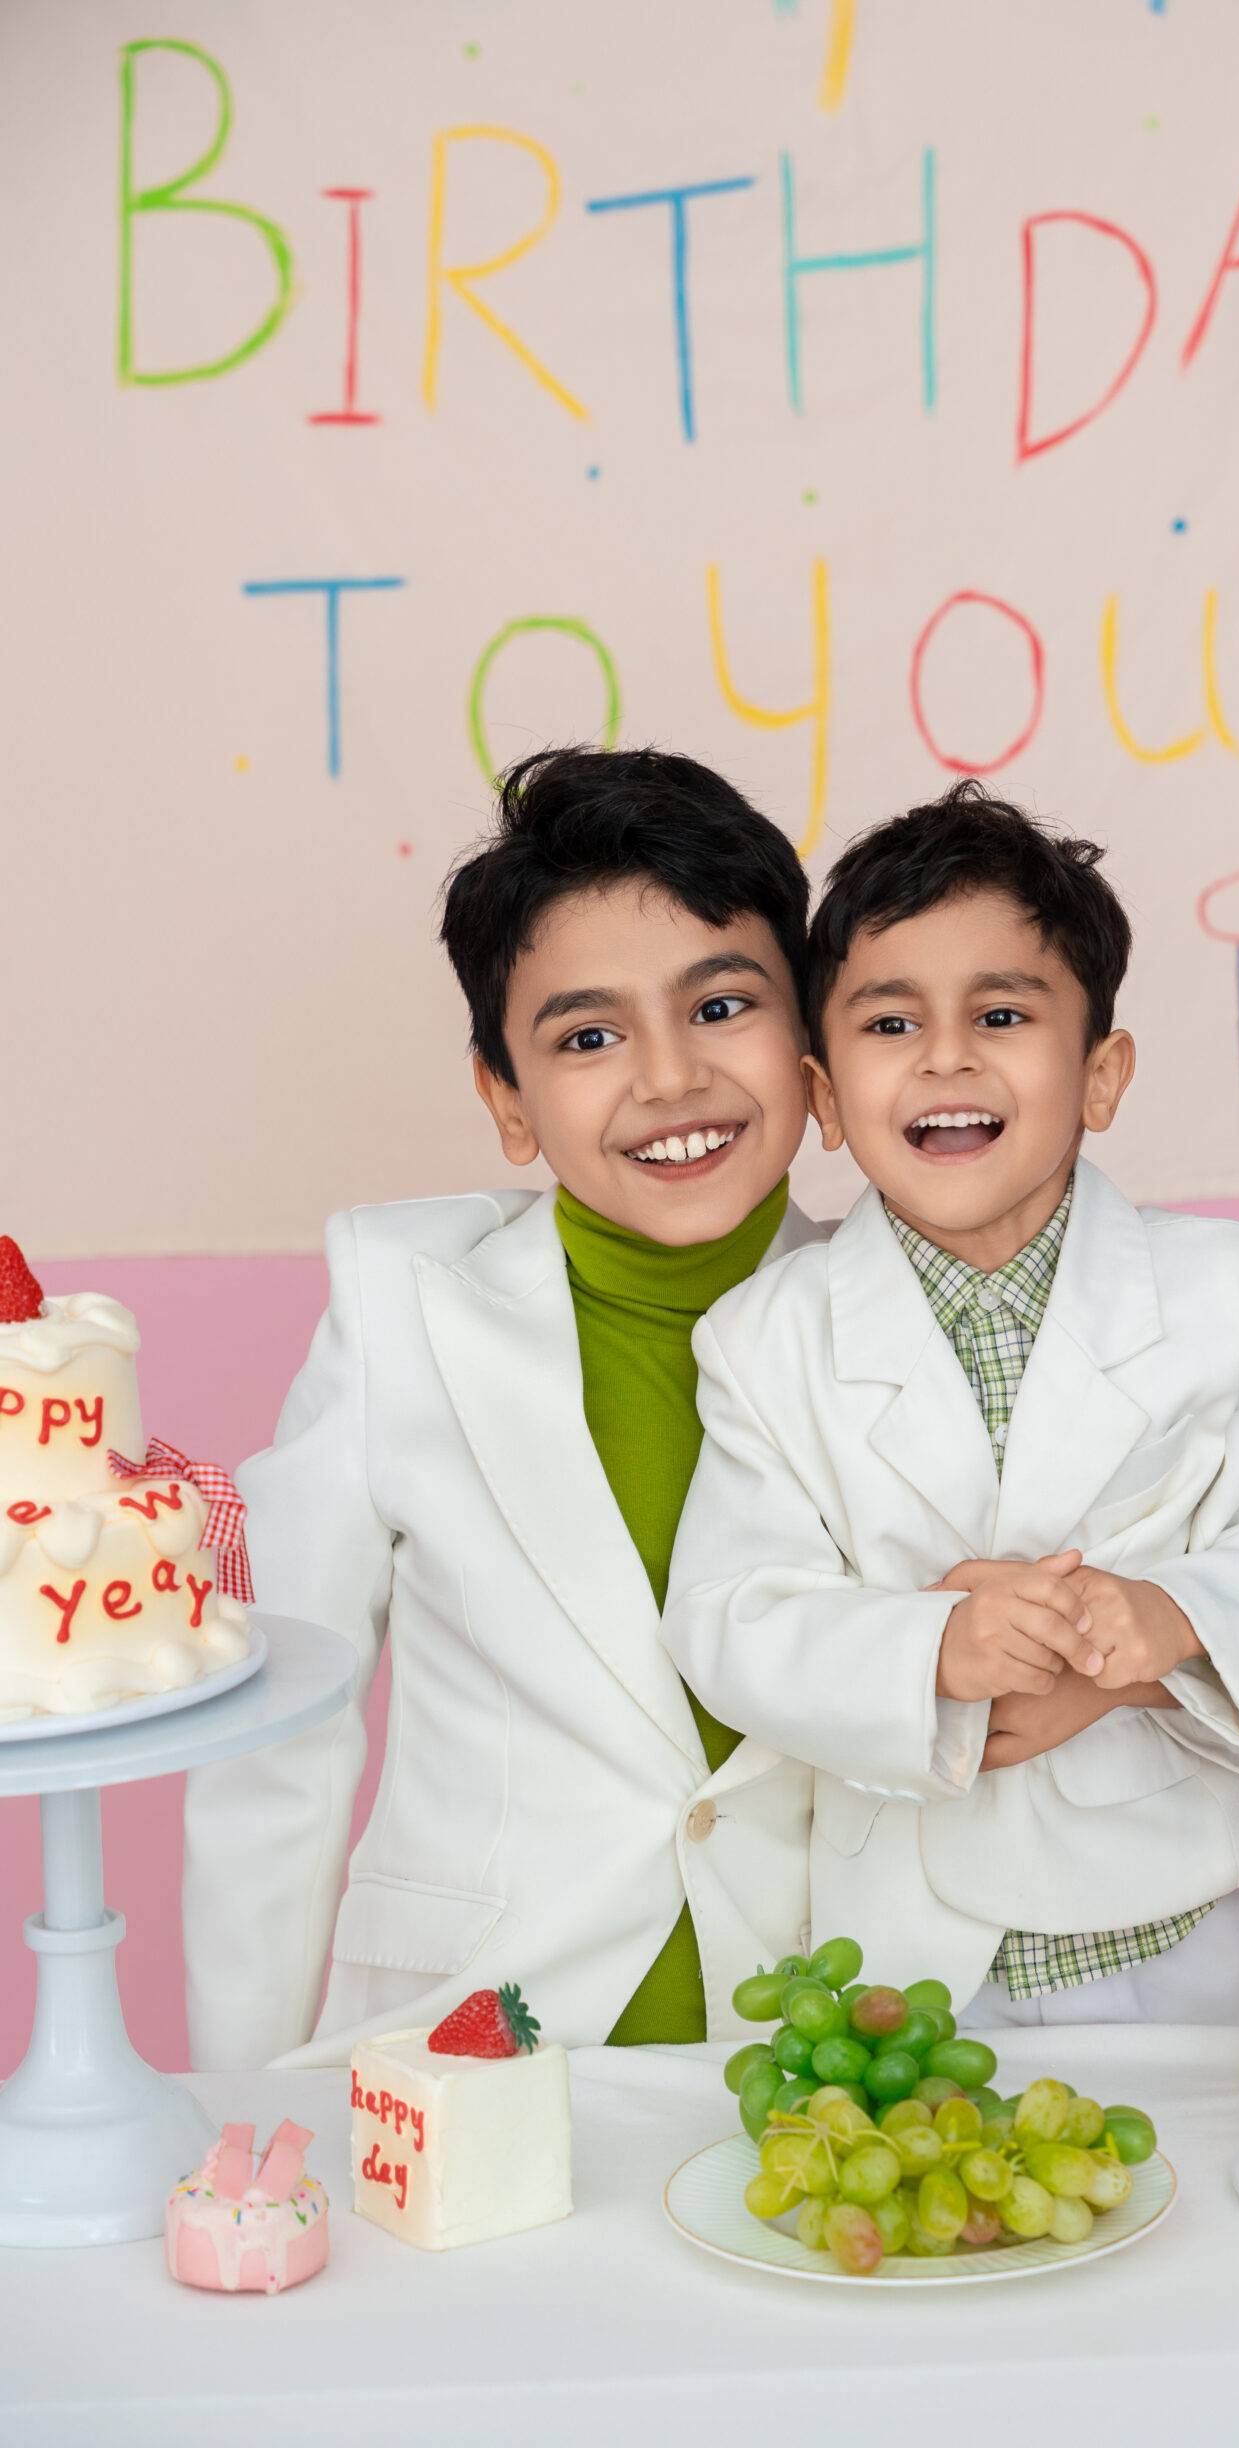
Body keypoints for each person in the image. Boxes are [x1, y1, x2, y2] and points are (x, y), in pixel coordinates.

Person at [663, 780, 1239, 2026]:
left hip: (1163, 1935)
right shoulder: (764, 1339)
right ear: (824, 1095)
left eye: (1001, 1014)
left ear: (1101, 1075)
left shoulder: (1226, 1291)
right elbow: (734, 1617)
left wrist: (1161, 1625)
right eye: (892, 1023)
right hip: (902, 1958)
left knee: (1193, 2154)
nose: (947, 1057)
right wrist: (934, 1649)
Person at [182, 745, 823, 2067]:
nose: (668, 1079)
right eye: (587, 1037)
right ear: (506, 1100)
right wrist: (235, 2098)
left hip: (811, 2062)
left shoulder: (900, 1316)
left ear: (812, 1041)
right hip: (462, 2051)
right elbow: (275, 1740)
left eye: (720, 1006)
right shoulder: (401, 1308)